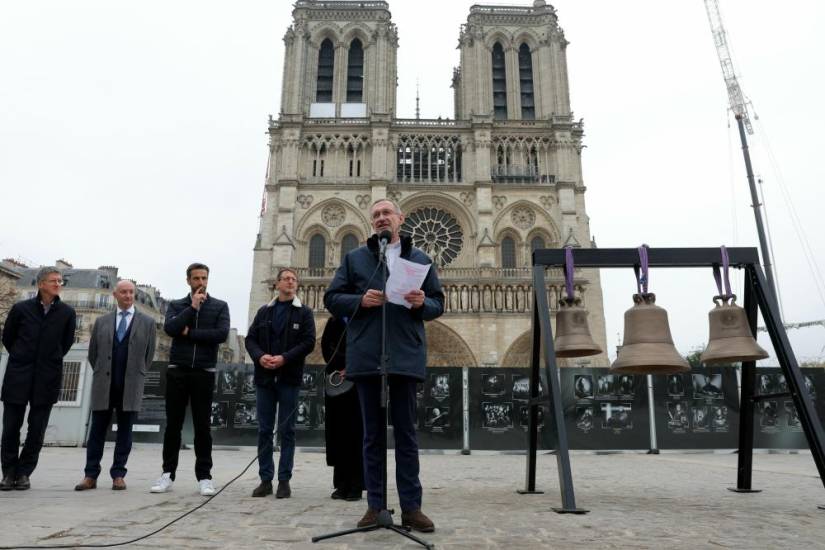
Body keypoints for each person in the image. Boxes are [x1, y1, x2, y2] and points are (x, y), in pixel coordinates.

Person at [324, 198, 444, 533]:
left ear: (400, 219)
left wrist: (422, 303)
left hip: (404, 354)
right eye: (375, 214)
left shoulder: (420, 260)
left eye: (386, 213)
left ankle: (411, 508)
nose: (380, 219)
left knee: (406, 436)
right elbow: (332, 298)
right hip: (366, 356)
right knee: (371, 436)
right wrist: (359, 300)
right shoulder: (355, 259)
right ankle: (375, 506)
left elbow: (438, 303)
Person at [150, 263, 229, 496]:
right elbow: (171, 328)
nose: (201, 282)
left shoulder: (219, 306)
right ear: (188, 281)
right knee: (172, 425)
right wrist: (192, 308)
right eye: (196, 278)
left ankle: (204, 477)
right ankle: (167, 474)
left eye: (204, 278)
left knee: (202, 427)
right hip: (178, 370)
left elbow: (220, 335)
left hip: (203, 372)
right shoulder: (177, 305)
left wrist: (190, 334)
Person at [75, 280, 157, 491]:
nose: (128, 296)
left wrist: (136, 373)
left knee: (125, 432)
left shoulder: (147, 323)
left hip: (130, 385)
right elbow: (93, 353)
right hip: (104, 384)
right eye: (124, 292)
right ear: (115, 294)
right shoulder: (102, 321)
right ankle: (90, 475)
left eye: (131, 292)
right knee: (97, 431)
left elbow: (148, 356)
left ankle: (118, 474)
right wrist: (104, 371)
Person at [1, 266, 76, 491]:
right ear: (41, 284)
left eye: (60, 281)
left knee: (37, 429)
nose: (57, 284)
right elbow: (8, 338)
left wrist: (49, 359)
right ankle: (8, 473)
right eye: (53, 281)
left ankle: (24, 473)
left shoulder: (67, 313)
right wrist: (23, 356)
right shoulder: (21, 309)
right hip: (18, 375)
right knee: (11, 427)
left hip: (47, 377)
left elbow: (66, 343)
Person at [245, 267, 315, 498]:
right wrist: (260, 356)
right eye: (286, 279)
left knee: (287, 430)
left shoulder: (304, 313)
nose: (290, 282)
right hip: (265, 377)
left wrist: (285, 358)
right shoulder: (264, 312)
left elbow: (308, 342)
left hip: (289, 378)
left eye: (294, 279)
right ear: (277, 284)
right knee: (264, 430)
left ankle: (284, 480)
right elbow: (251, 339)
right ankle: (266, 479)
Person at [321, 315, 364, 501]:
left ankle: (356, 484)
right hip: (338, 380)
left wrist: (352, 366)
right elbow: (325, 348)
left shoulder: (365, 319)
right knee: (338, 433)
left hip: (360, 379)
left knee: (356, 434)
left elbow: (369, 346)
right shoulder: (334, 321)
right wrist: (340, 367)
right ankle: (340, 484)